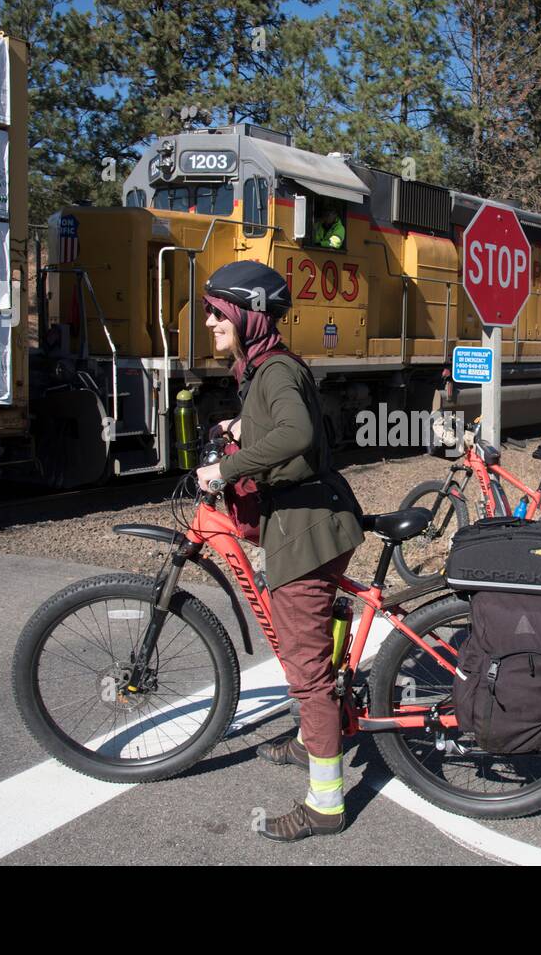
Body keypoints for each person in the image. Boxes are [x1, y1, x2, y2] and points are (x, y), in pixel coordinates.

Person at [195, 260, 364, 842]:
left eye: (218, 313)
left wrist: (226, 468)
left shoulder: (273, 372)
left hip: (306, 527)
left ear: (246, 315)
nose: (211, 323)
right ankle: (307, 738)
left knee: (306, 674)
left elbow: (296, 434)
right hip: (311, 515)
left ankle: (325, 804)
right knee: (307, 639)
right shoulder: (266, 368)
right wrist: (238, 426)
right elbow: (281, 424)